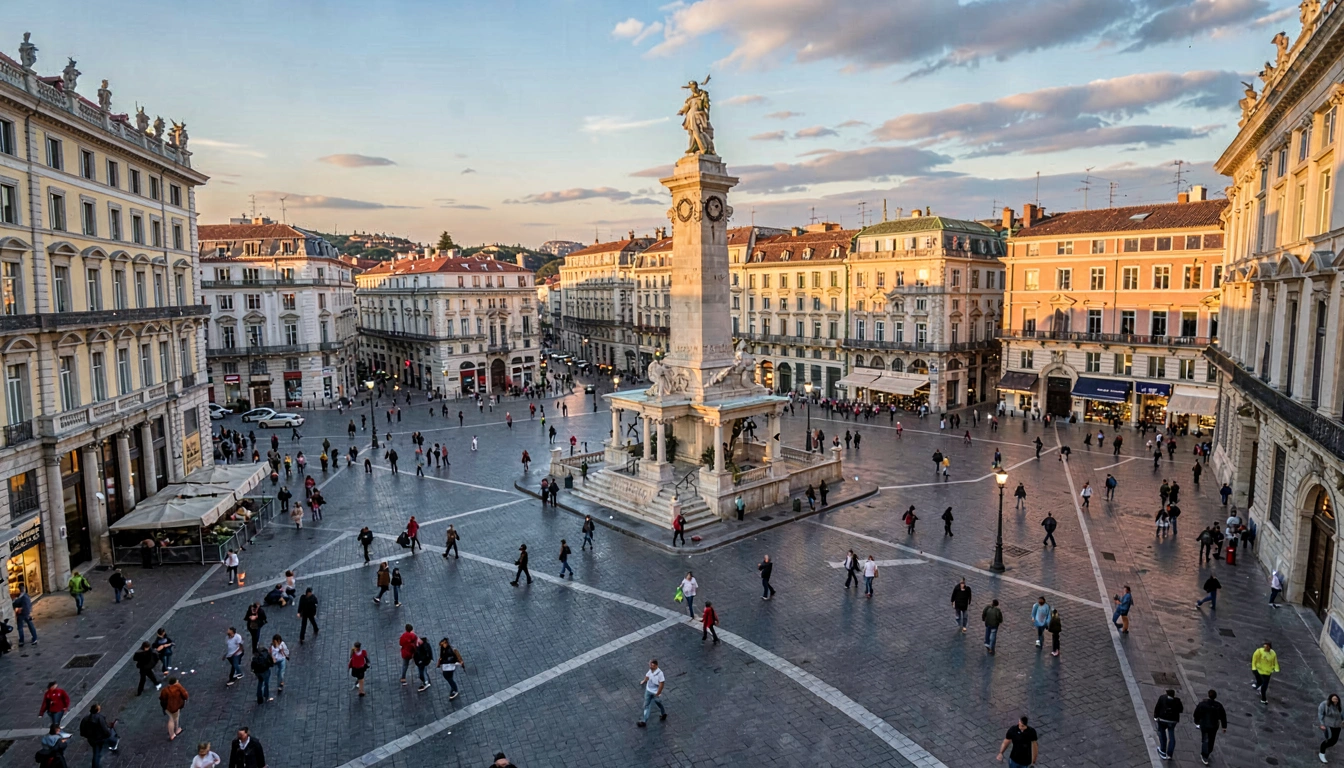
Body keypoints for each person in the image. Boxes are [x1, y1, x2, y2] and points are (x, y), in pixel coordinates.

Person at [1194, 689, 1227, 765]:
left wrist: (1196, 721)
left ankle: (1204, 755)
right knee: (1212, 739)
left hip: (1205, 725)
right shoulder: (1219, 705)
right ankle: (1208, 752)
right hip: (1214, 726)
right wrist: (1224, 726)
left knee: (1205, 739)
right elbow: (1223, 716)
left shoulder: (1203, 704)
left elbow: (1196, 713)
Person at [1153, 688, 1183, 760]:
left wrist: (1155, 716)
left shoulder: (1162, 698)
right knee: (1171, 736)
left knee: (1162, 735)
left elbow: (1157, 707)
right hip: (1172, 721)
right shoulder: (1177, 700)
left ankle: (1163, 751)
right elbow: (1181, 710)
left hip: (1162, 719)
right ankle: (1169, 753)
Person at [636, 659, 667, 727]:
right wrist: (644, 681)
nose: (650, 666)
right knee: (647, 705)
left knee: (658, 703)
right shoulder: (651, 670)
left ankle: (663, 714)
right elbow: (647, 676)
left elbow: (661, 684)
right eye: (650, 665)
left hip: (655, 692)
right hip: (648, 690)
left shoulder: (660, 674)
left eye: (652, 665)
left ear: (656, 665)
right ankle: (644, 721)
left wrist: (658, 693)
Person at [159, 677, 188, 741]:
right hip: (175, 707)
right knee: (174, 718)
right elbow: (185, 695)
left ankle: (171, 734)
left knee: (171, 718)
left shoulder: (165, 690)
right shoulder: (178, 688)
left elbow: (161, 698)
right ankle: (176, 731)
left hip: (167, 707)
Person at [1252, 640, 1279, 705]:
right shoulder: (1259, 651)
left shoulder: (1273, 653)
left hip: (1268, 671)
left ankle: (1263, 697)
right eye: (1265, 645)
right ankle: (1262, 696)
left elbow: (1275, 661)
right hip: (1260, 670)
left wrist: (1276, 668)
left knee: (1264, 685)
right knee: (1261, 682)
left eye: (1267, 645)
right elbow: (1254, 659)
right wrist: (1254, 667)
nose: (1265, 647)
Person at [1320, 693, 1343, 763]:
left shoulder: (1339, 706)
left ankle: (1324, 747)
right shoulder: (1325, 704)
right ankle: (1322, 753)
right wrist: (1322, 724)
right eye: (1334, 698)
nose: (1336, 699)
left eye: (1337, 698)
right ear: (1330, 699)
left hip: (1337, 725)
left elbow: (1342, 715)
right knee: (1329, 739)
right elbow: (1320, 714)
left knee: (1334, 741)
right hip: (1328, 724)